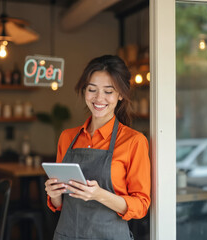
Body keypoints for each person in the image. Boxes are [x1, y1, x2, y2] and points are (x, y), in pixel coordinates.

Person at [44, 55, 151, 240]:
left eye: (108, 91)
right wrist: (54, 194)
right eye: (92, 89)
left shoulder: (134, 141)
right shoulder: (67, 137)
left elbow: (141, 205)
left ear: (120, 95)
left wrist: (100, 195)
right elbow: (61, 204)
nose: (99, 98)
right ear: (84, 91)